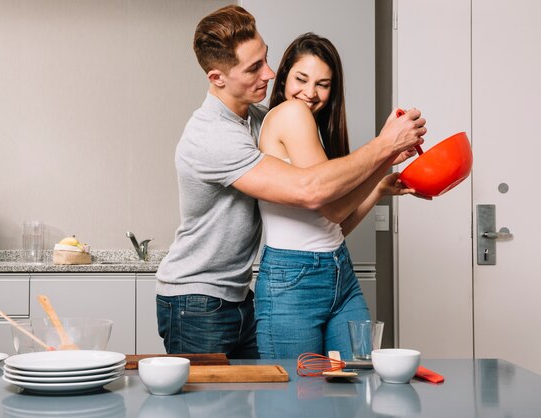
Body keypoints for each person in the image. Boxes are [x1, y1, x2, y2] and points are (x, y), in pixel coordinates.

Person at [155, 5, 425, 359]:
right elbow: (314, 193)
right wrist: (385, 145)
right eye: (254, 68)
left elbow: (327, 217)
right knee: (214, 406)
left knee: (275, 393)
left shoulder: (258, 118)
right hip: (196, 297)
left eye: (265, 59)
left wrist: (379, 178)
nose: (269, 74)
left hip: (239, 294)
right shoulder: (212, 136)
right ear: (217, 77)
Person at [254, 33, 414, 360]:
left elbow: (334, 224)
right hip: (293, 282)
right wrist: (386, 146)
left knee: (357, 381)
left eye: (323, 84)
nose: (310, 93)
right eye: (301, 79)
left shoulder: (312, 130)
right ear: (283, 78)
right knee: (296, 401)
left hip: (339, 270)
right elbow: (332, 207)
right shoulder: (290, 114)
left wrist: (380, 183)